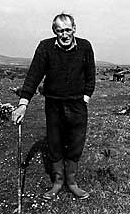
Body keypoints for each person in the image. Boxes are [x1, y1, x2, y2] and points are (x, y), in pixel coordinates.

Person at [11, 13, 96, 200]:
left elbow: (91, 76)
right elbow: (34, 75)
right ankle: (57, 182)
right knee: (55, 142)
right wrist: (23, 104)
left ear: (74, 29)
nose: (64, 34)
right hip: (54, 103)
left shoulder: (85, 46)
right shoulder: (45, 47)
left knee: (76, 142)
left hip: (77, 105)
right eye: (60, 31)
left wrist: (86, 98)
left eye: (67, 30)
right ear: (54, 31)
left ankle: (72, 182)